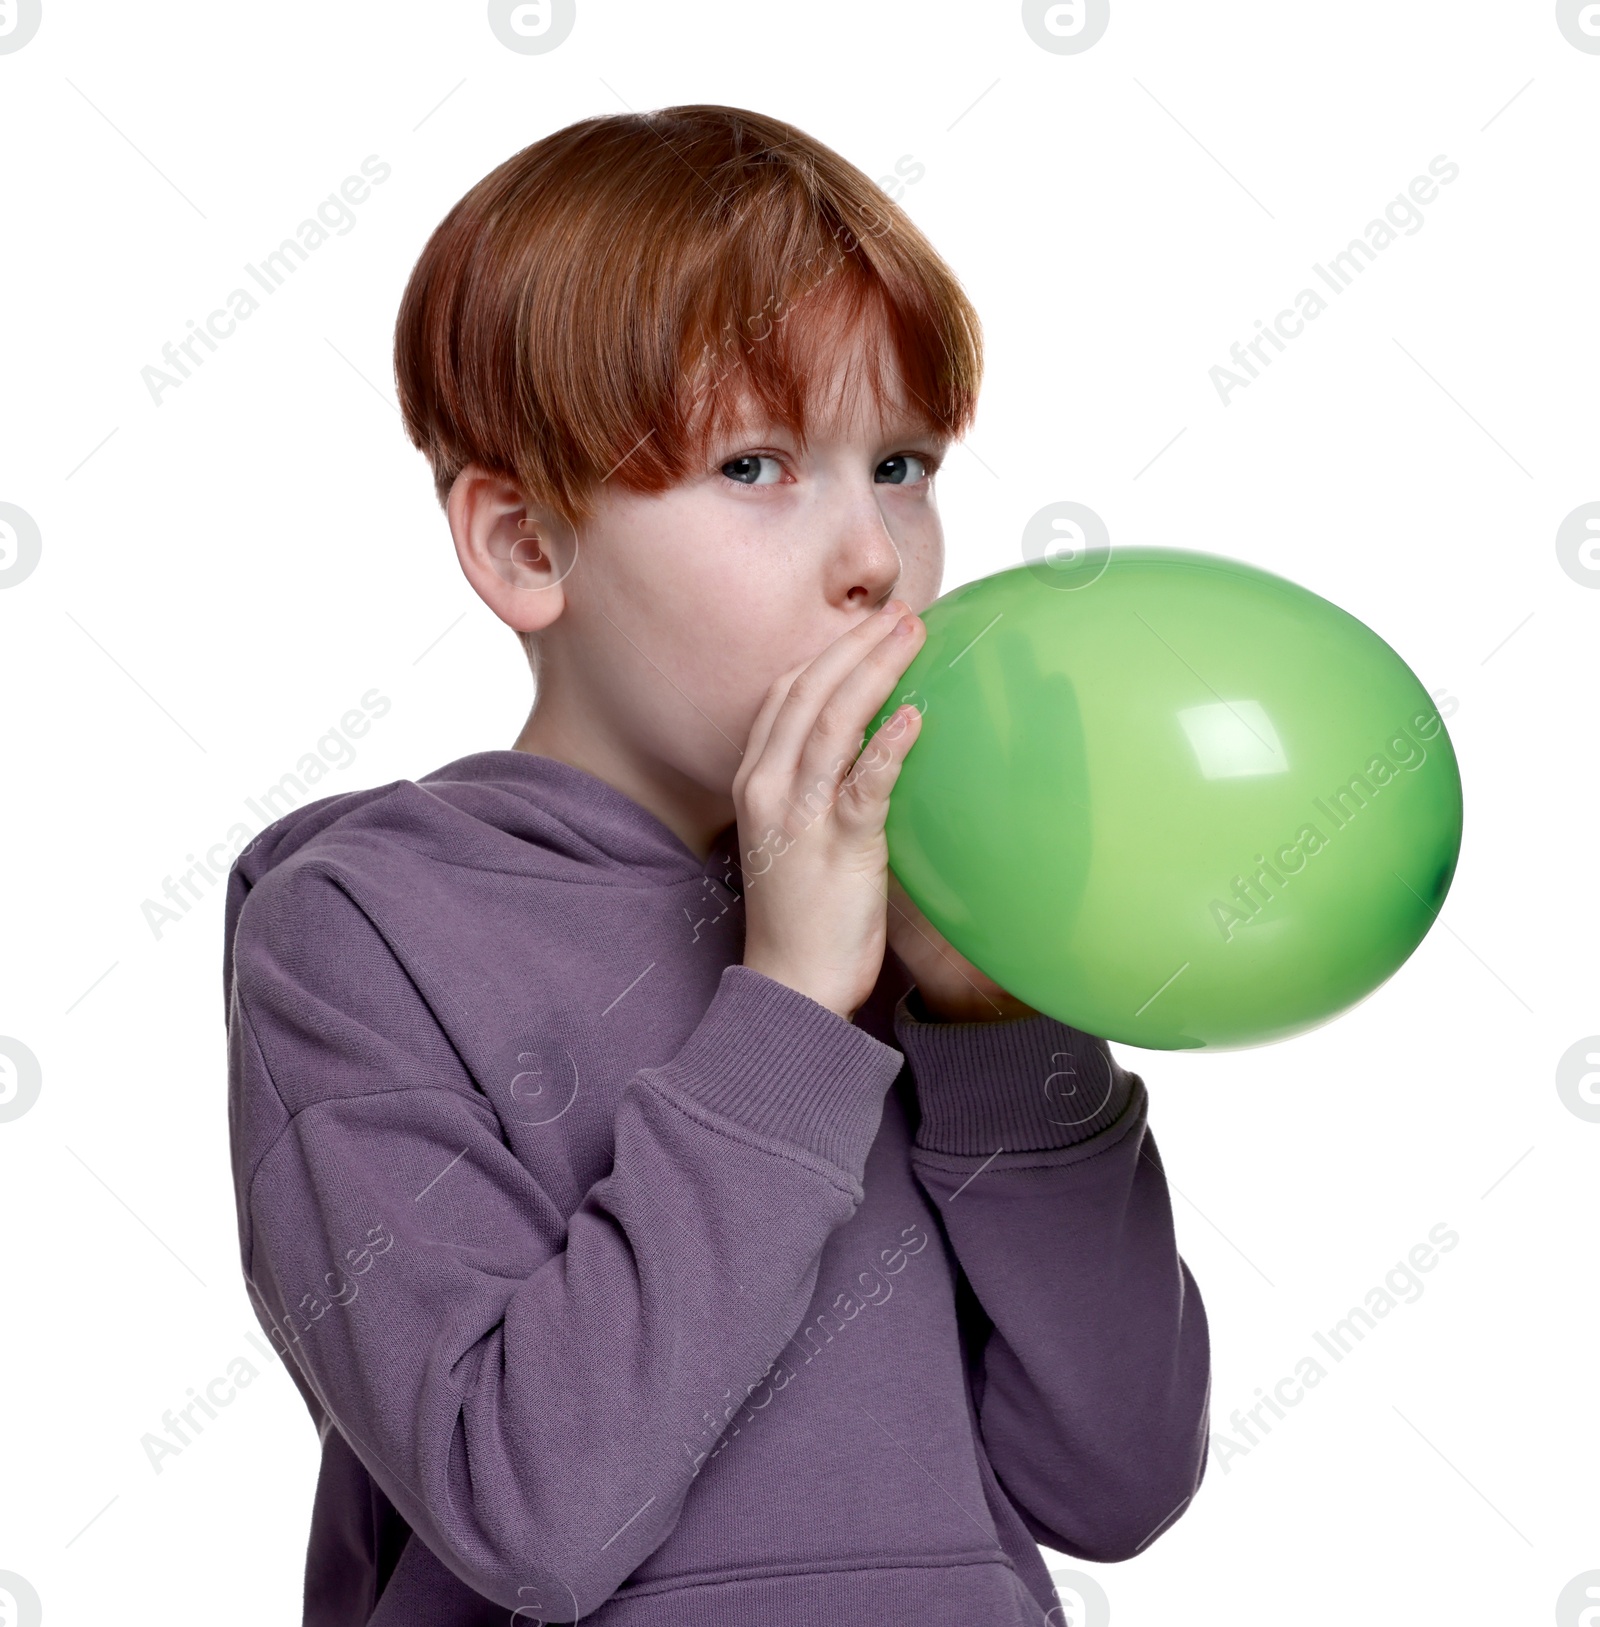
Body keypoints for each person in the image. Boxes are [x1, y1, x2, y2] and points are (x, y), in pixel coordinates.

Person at [223, 103, 1211, 1627]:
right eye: (757, 466)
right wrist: (795, 1007)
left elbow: (1118, 1481)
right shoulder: (360, 930)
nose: (876, 553)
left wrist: (999, 1033)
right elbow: (533, 1515)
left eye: (901, 463)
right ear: (527, 548)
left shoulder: (933, 901)